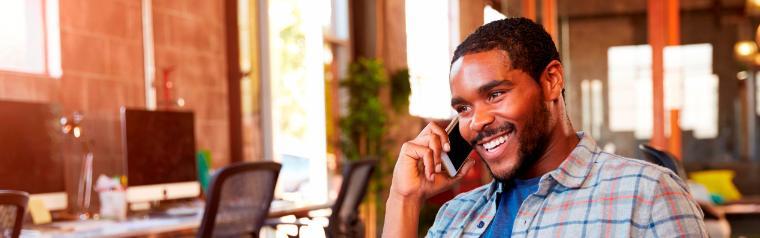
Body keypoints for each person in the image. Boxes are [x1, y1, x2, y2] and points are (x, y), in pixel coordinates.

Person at [382, 18, 707, 237]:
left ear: (551, 81)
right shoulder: (456, 216)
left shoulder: (647, 193)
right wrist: (404, 198)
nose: (477, 121)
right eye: (463, 108)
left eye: (495, 94)